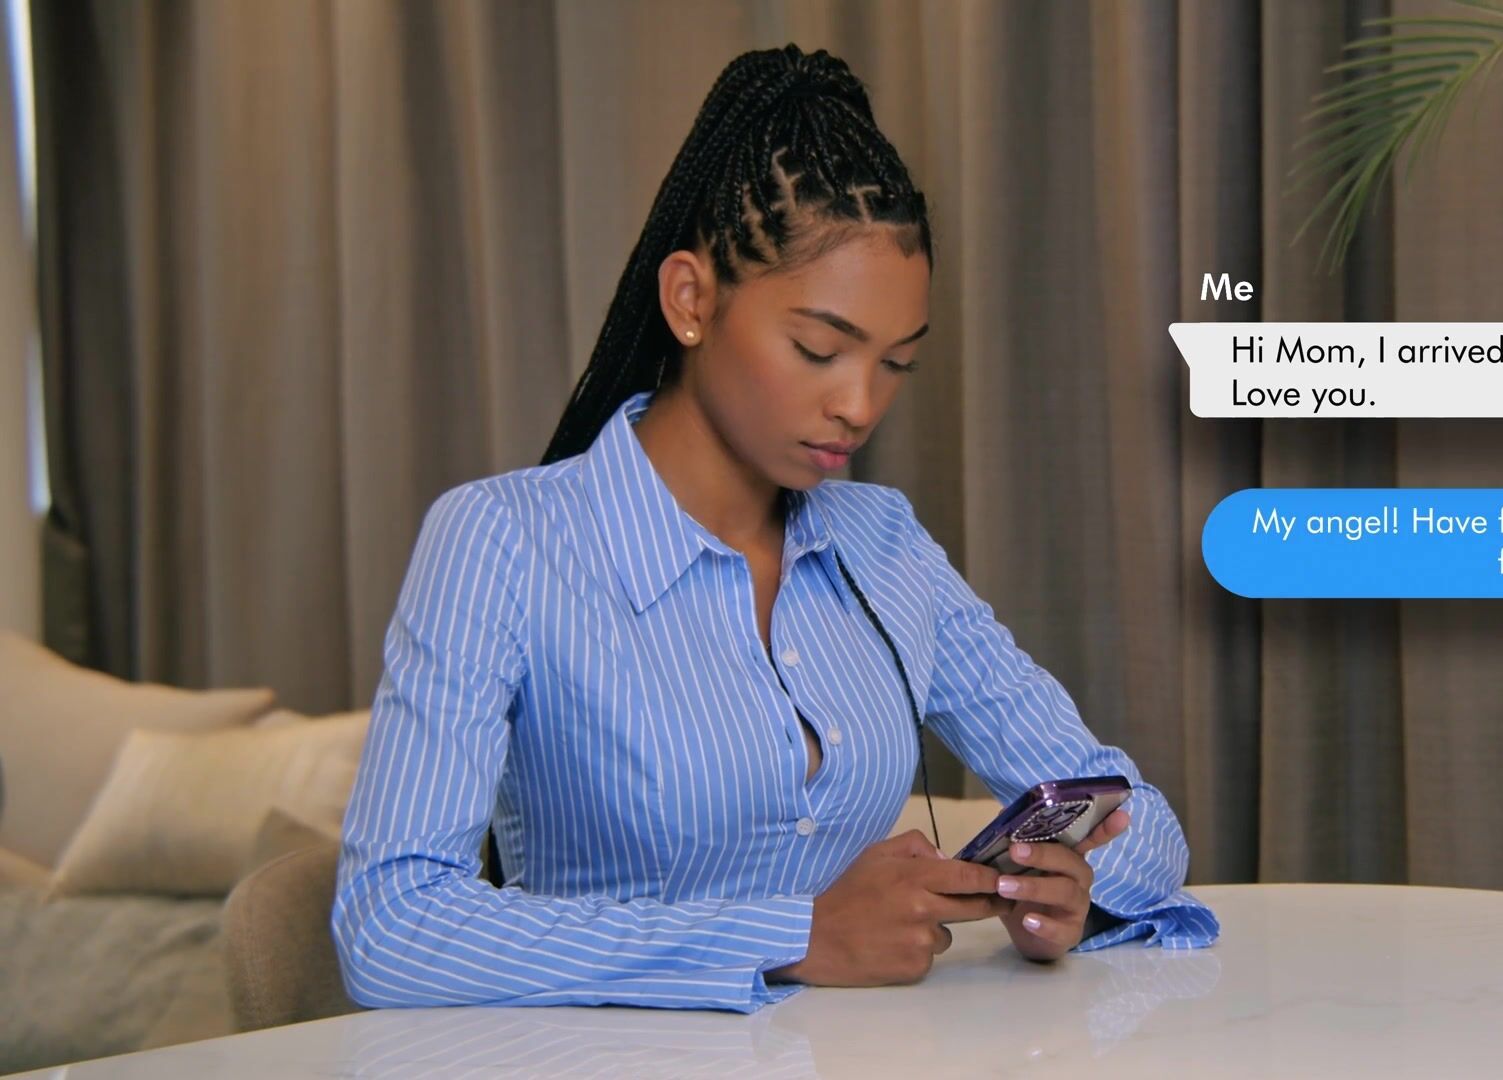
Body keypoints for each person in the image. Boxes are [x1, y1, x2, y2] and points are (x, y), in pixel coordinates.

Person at [331, 43, 1217, 1014]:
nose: (860, 405)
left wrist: (1061, 885)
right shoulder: (500, 543)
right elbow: (391, 928)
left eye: (896, 364)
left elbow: (1138, 822)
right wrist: (790, 935)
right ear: (691, 300)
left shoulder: (883, 544)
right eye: (819, 348)